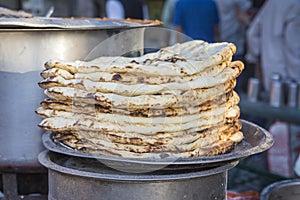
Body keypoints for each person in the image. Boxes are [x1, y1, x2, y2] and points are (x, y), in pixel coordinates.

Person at [246, 0, 300, 92]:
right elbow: (293, 46)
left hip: (268, 67)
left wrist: (256, 57)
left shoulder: (271, 3)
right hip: (289, 75)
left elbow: (252, 34)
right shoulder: (295, 5)